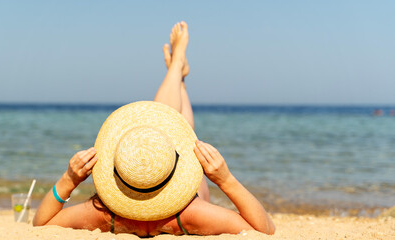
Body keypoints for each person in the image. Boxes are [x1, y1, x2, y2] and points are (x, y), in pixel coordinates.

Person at [33, 21, 275, 236]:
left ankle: (178, 72)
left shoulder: (103, 214)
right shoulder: (192, 213)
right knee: (181, 133)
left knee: (172, 129)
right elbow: (264, 229)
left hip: (132, 207)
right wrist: (225, 179)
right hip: (189, 200)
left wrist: (69, 180)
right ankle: (178, 69)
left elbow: (41, 224)